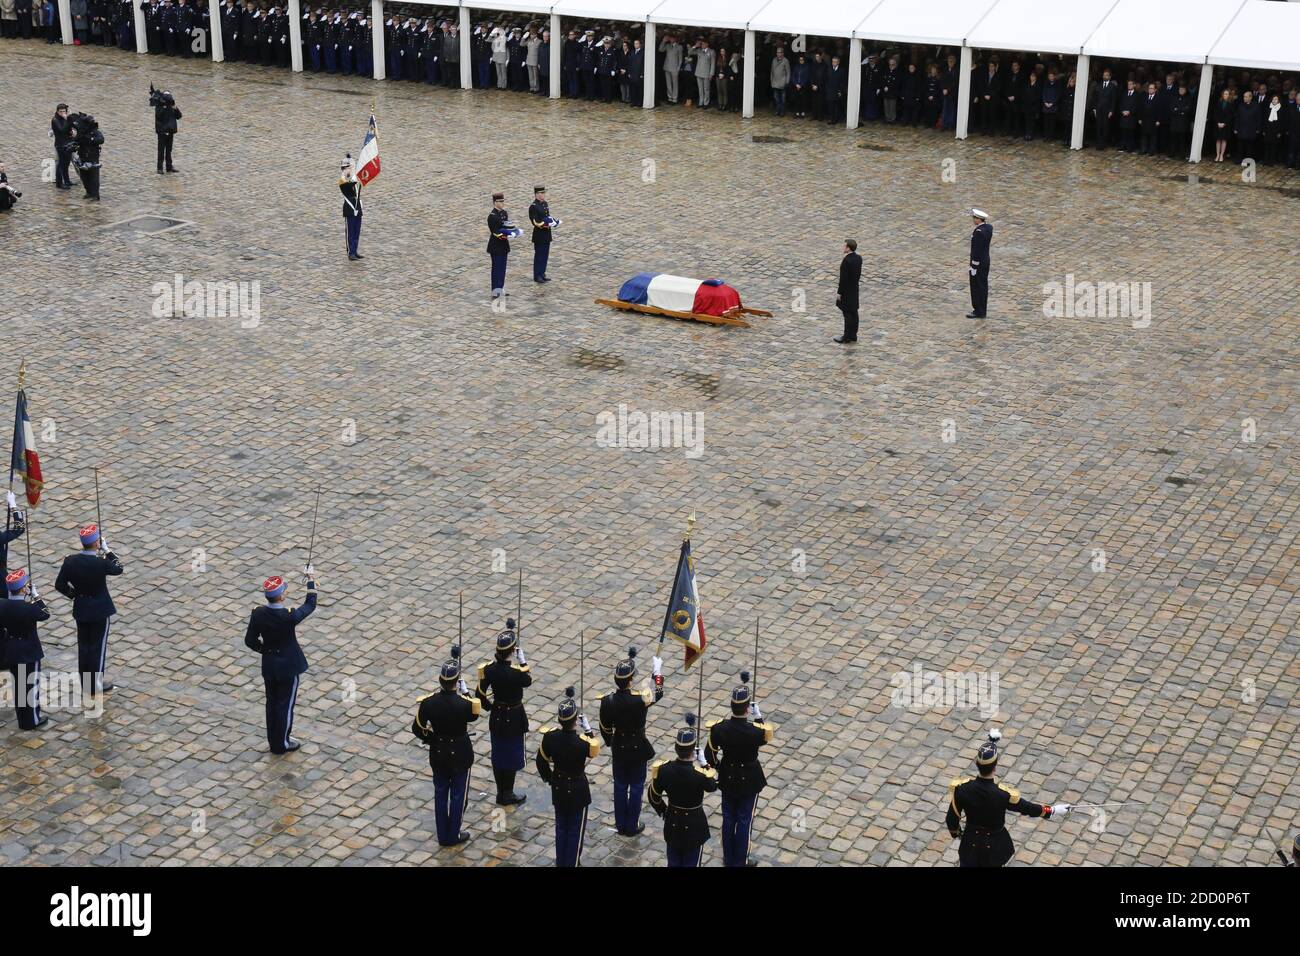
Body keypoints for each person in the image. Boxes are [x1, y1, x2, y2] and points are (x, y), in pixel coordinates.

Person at [945, 731, 1070, 867]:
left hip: (970, 847)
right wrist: (1051, 810)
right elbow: (1027, 808)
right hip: (994, 850)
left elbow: (951, 820)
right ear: (995, 767)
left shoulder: (962, 789)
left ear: (977, 764)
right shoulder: (1002, 795)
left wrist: (959, 835)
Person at [706, 673, 775, 867]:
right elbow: (766, 736)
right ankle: (740, 860)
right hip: (750, 779)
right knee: (745, 820)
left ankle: (729, 859)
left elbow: (710, 756)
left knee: (728, 818)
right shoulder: (755, 731)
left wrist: (721, 768)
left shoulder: (719, 729)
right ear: (747, 708)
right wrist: (758, 716)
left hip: (728, 776)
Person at [243, 569, 316, 754]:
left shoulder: (258, 613)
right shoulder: (288, 616)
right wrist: (311, 582)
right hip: (288, 668)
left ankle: (274, 740)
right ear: (281, 596)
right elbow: (310, 605)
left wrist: (265, 650)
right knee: (285, 706)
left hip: (269, 666)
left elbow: (250, 641)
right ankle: (281, 743)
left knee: (272, 704)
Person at [412, 653, 480, 847]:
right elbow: (474, 715)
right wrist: (465, 692)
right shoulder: (464, 704)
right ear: (456, 682)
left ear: (441, 680)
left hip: (439, 752)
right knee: (459, 795)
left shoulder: (429, 703)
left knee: (441, 793)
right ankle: (454, 834)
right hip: (460, 753)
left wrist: (432, 738)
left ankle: (443, 835)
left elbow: (417, 728)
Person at [597, 647, 661, 837]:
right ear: (631, 680)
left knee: (620, 785)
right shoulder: (640, 699)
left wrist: (611, 742)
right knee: (636, 786)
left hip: (619, 746)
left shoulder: (608, 701)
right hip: (638, 746)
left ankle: (621, 824)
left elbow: (605, 727)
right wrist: (657, 673)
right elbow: (658, 692)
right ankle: (632, 825)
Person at [54, 523, 122, 697]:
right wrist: (107, 550)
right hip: (100, 610)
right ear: (97, 543)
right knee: (97, 648)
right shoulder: (101, 563)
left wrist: (75, 594)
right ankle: (96, 684)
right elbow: (118, 568)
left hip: (82, 608)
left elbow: (60, 585)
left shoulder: (70, 561)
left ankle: (85, 683)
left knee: (84, 647)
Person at [535, 687, 601, 866]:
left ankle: (561, 862)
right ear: (575, 721)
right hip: (577, 788)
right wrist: (587, 729)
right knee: (575, 831)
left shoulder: (550, 738)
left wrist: (550, 778)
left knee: (561, 828)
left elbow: (541, 762)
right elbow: (594, 748)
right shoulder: (582, 743)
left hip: (558, 786)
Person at [647, 713, 717, 868]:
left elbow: (653, 796)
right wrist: (704, 764)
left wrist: (664, 811)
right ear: (693, 752)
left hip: (673, 821)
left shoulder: (664, 770)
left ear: (676, 748)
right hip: (694, 826)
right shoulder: (700, 775)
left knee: (673, 863)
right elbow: (713, 786)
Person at [475, 617, 531, 805]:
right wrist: (522, 661)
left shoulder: (489, 670)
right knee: (512, 754)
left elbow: (480, 694)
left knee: (499, 754)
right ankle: (507, 792)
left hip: (498, 714)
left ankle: (502, 792)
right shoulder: (516, 673)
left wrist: (491, 707)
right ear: (512, 651)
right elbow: (528, 680)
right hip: (514, 716)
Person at [0, 568, 48, 730]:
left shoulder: (2, 605)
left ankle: (22, 718)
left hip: (11, 648)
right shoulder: (29, 608)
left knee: (18, 685)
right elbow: (45, 614)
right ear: (23, 589)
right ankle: (32, 719)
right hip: (29, 650)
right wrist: (35, 596)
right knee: (30, 685)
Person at [835, 238, 861, 344]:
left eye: (844, 246)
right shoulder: (859, 258)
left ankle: (846, 336)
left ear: (848, 248)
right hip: (854, 289)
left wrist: (839, 292)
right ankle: (853, 335)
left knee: (847, 313)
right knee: (854, 312)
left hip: (847, 291)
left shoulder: (846, 261)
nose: (843, 247)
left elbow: (843, 280)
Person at [487, 191, 513, 299]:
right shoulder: (492, 216)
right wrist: (505, 234)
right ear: (495, 202)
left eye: (503, 201)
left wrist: (513, 231)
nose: (502, 203)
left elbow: (507, 226)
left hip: (504, 246)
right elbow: (495, 232)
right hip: (496, 246)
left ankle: (500, 288)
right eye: (500, 201)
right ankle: (495, 290)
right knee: (496, 269)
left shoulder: (504, 213)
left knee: (502, 269)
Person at [967, 208, 992, 320]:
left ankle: (979, 310)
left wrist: (974, 265)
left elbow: (977, 250)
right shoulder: (988, 228)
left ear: (978, 219)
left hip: (979, 263)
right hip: (985, 261)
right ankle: (982, 309)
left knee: (977, 287)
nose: (973, 220)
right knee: (983, 286)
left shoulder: (979, 233)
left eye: (974, 218)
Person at [527, 185, 555, 284]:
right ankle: (537, 275)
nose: (543, 195)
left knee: (545, 255)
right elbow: (535, 222)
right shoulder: (533, 207)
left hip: (547, 234)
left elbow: (547, 216)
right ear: (537, 194)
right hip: (539, 234)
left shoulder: (544, 204)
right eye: (542, 193)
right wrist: (545, 225)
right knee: (539, 256)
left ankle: (542, 273)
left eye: (544, 193)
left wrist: (553, 222)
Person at [339, 155, 362, 261]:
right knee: (350, 231)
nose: (351, 169)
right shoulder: (342, 180)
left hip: (357, 207)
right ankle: (350, 252)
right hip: (350, 208)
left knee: (356, 230)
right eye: (349, 167)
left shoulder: (354, 177)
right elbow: (348, 187)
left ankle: (355, 250)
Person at [152, 88, 181, 174]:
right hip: (162, 132)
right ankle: (159, 168)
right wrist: (164, 107)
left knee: (169, 150)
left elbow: (179, 116)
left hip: (170, 131)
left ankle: (169, 166)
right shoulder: (159, 106)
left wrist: (175, 108)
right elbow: (159, 116)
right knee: (161, 150)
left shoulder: (171, 106)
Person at [1091, 68, 1118, 149]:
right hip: (1099, 109)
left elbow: (1114, 99)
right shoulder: (1098, 85)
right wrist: (1094, 108)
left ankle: (1103, 143)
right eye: (1104, 75)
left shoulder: (1112, 86)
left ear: (1110, 77)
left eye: (1106, 75)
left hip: (1107, 110)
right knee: (1098, 126)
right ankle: (1098, 143)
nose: (1105, 76)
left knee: (1105, 126)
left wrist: (1111, 110)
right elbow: (1095, 97)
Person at [51, 104, 75, 191]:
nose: (62, 113)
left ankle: (67, 181)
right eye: (60, 111)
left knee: (66, 164)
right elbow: (62, 130)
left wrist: (71, 131)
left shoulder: (65, 119)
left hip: (68, 143)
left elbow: (69, 129)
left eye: (64, 111)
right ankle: (59, 183)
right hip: (60, 145)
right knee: (61, 164)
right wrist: (67, 120)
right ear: (57, 112)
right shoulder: (55, 120)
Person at [1235, 90, 1260, 164]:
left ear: (1250, 97)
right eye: (1244, 97)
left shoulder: (1256, 106)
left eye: (1246, 97)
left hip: (1251, 129)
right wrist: (1235, 128)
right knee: (1240, 146)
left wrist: (1258, 128)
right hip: (1241, 129)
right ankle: (1239, 159)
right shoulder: (1240, 105)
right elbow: (1237, 117)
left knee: (1249, 147)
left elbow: (1258, 118)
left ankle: (1248, 160)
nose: (1244, 98)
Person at [659, 32, 682, 105]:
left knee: (675, 84)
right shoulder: (667, 45)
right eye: (670, 38)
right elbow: (660, 50)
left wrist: (678, 68)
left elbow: (680, 58)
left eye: (672, 38)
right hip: (667, 66)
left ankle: (674, 99)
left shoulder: (679, 47)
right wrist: (663, 41)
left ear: (675, 39)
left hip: (674, 67)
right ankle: (669, 98)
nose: (671, 39)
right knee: (668, 83)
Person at [1138, 82, 1160, 156]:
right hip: (1145, 119)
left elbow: (1160, 110)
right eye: (1149, 88)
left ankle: (1151, 150)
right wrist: (1140, 118)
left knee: (1152, 136)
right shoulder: (1144, 97)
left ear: (1155, 90)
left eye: (1152, 88)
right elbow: (1140, 108)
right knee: (1144, 135)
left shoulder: (1158, 98)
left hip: (1153, 120)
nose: (1150, 90)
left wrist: (1158, 120)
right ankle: (1143, 149)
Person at [1213, 88, 1233, 162]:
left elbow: (1231, 115)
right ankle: (1217, 154)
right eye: (1224, 94)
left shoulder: (1231, 104)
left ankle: (1222, 155)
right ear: (1222, 95)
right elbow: (1215, 113)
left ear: (1229, 95)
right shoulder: (1219, 102)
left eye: (1227, 94)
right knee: (1218, 140)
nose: (1225, 95)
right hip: (1218, 124)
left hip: (1226, 124)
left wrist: (1224, 123)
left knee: (1224, 139)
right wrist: (1218, 122)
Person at [769, 46, 789, 117]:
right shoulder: (774, 60)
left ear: (783, 53)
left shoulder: (785, 61)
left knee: (783, 99)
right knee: (776, 98)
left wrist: (787, 82)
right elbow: (772, 71)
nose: (778, 54)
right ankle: (777, 110)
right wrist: (771, 80)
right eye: (777, 52)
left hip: (782, 82)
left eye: (780, 52)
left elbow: (788, 72)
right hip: (775, 82)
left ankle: (782, 111)